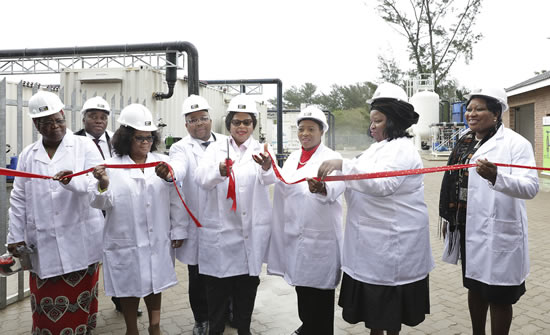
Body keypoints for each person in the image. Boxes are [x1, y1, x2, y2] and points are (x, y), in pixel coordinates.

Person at [318, 83, 434, 335]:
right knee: (375, 315)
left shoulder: (403, 149)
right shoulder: (375, 149)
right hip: (371, 244)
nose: (372, 126)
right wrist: (325, 188)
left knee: (389, 312)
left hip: (393, 244)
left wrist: (343, 164)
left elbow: (383, 184)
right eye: (371, 121)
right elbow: (353, 180)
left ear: (393, 121)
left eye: (378, 121)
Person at [439, 87, 539, 335]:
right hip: (468, 227)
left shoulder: (516, 144)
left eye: (479, 109)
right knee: (475, 288)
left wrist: (497, 177)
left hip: (499, 228)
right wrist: (448, 216)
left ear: (496, 113)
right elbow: (453, 182)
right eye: (469, 109)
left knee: (499, 296)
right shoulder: (464, 141)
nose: (471, 114)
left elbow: (531, 187)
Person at [7, 91, 104, 334]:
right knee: (45, 309)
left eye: (58, 120)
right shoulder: (29, 155)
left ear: (65, 117)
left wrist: (71, 182)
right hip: (44, 246)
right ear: (35, 124)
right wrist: (15, 237)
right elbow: (19, 198)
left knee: (79, 307)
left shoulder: (84, 146)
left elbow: (97, 189)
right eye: (46, 123)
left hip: (79, 243)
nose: (54, 127)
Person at [90, 104, 186, 335]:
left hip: (157, 238)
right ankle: (131, 328)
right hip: (125, 239)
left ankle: (155, 326)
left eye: (149, 137)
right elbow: (102, 203)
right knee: (128, 286)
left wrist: (179, 229)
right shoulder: (112, 166)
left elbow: (176, 197)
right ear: (125, 138)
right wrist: (102, 184)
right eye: (139, 138)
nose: (145, 142)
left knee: (155, 283)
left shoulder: (162, 164)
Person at [195, 94, 277, 335]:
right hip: (221, 235)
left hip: (248, 236)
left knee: (246, 290)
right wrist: (219, 170)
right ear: (228, 124)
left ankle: (244, 329)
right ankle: (215, 330)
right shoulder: (214, 149)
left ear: (253, 125)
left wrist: (266, 167)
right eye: (237, 122)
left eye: (247, 122)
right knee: (217, 294)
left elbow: (272, 179)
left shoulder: (263, 149)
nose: (242, 127)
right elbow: (201, 179)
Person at [267, 106, 345, 335]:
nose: (305, 133)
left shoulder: (332, 157)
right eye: (301, 129)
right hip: (295, 235)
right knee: (302, 289)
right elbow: (283, 185)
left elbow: (339, 184)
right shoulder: (292, 158)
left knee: (320, 293)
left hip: (320, 238)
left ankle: (318, 330)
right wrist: (267, 168)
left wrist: (322, 188)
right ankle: (307, 326)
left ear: (322, 132)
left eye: (311, 129)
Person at [156, 94, 226, 335]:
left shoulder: (227, 142)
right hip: (198, 224)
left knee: (225, 273)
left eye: (203, 118)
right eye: (193, 120)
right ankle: (202, 319)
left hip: (226, 223)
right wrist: (168, 173)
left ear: (210, 119)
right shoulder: (180, 147)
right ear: (186, 125)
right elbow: (177, 167)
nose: (199, 124)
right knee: (198, 277)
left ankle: (224, 313)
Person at [75, 96, 143, 317]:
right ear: (84, 118)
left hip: (116, 202)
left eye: (103, 117)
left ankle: (122, 300)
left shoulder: (116, 141)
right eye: (93, 116)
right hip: (89, 202)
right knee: (94, 256)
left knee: (121, 252)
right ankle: (86, 304)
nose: (99, 121)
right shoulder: (74, 142)